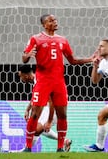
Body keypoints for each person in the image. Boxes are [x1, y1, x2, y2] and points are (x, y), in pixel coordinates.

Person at [22, 14, 93, 152]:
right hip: (43, 82)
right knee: (35, 115)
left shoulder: (63, 40)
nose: (55, 22)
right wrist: (28, 55)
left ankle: (60, 147)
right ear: (44, 24)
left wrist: (89, 59)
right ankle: (28, 147)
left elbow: (72, 61)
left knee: (63, 115)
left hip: (59, 83)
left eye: (55, 20)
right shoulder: (35, 39)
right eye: (51, 20)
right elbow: (24, 58)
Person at [14, 65, 72, 152]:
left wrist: (49, 120)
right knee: (40, 129)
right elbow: (35, 97)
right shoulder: (36, 80)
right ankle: (65, 142)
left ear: (25, 75)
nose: (21, 79)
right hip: (47, 107)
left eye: (20, 76)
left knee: (36, 129)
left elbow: (51, 101)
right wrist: (27, 109)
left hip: (55, 107)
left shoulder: (40, 80)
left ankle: (26, 150)